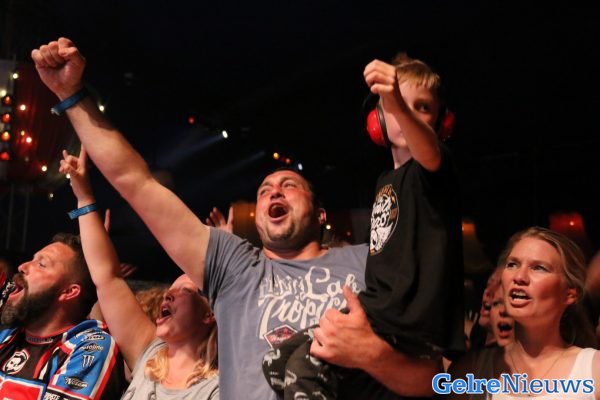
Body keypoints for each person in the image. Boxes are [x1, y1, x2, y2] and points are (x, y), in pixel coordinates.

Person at [31, 38, 439, 400]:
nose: (274, 192)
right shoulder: (233, 265)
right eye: (264, 191)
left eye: (289, 186)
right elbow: (136, 182)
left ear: (320, 214)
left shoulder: (370, 262)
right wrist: (71, 95)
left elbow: (437, 379)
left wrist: (373, 355)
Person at [262, 55, 464, 398]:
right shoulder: (385, 180)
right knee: (276, 361)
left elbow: (429, 154)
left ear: (442, 122)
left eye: (422, 107)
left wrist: (397, 102)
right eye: (398, 105)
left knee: (304, 370)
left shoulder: (434, 171)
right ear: (377, 120)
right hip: (377, 310)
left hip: (405, 318)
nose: (408, 112)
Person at [59, 147, 219, 399]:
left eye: (185, 291)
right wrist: (84, 197)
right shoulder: (149, 355)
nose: (168, 295)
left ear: (209, 313)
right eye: (171, 289)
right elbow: (107, 277)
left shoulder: (217, 388)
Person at [449, 227, 600, 400]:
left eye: (539, 268)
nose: (519, 277)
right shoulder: (470, 372)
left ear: (569, 294)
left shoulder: (593, 371)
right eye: (512, 264)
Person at [0, 233, 127, 399]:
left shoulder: (90, 346)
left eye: (41, 264)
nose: (23, 267)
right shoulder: (8, 334)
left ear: (68, 292)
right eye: (32, 259)